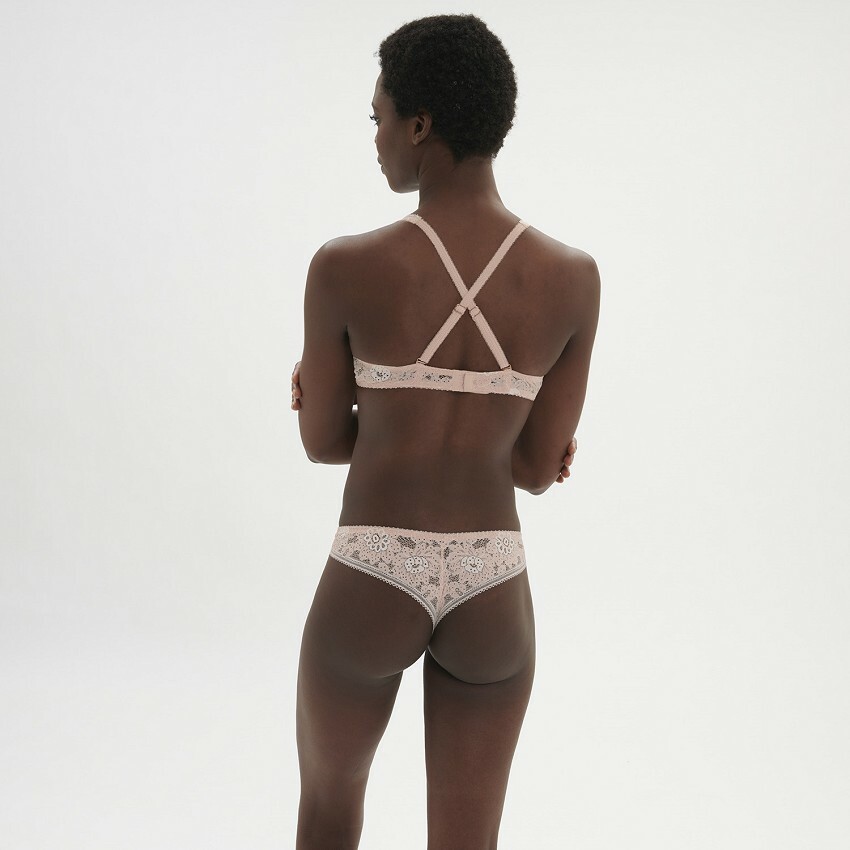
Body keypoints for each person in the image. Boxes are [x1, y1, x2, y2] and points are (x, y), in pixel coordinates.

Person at [291, 14, 599, 849]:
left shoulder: (345, 268)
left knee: (328, 810)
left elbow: (321, 442)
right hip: (493, 579)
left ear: (420, 125)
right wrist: (505, 440)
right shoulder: (572, 279)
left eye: (380, 118)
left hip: (372, 571)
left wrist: (378, 417)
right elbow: (534, 469)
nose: (377, 138)